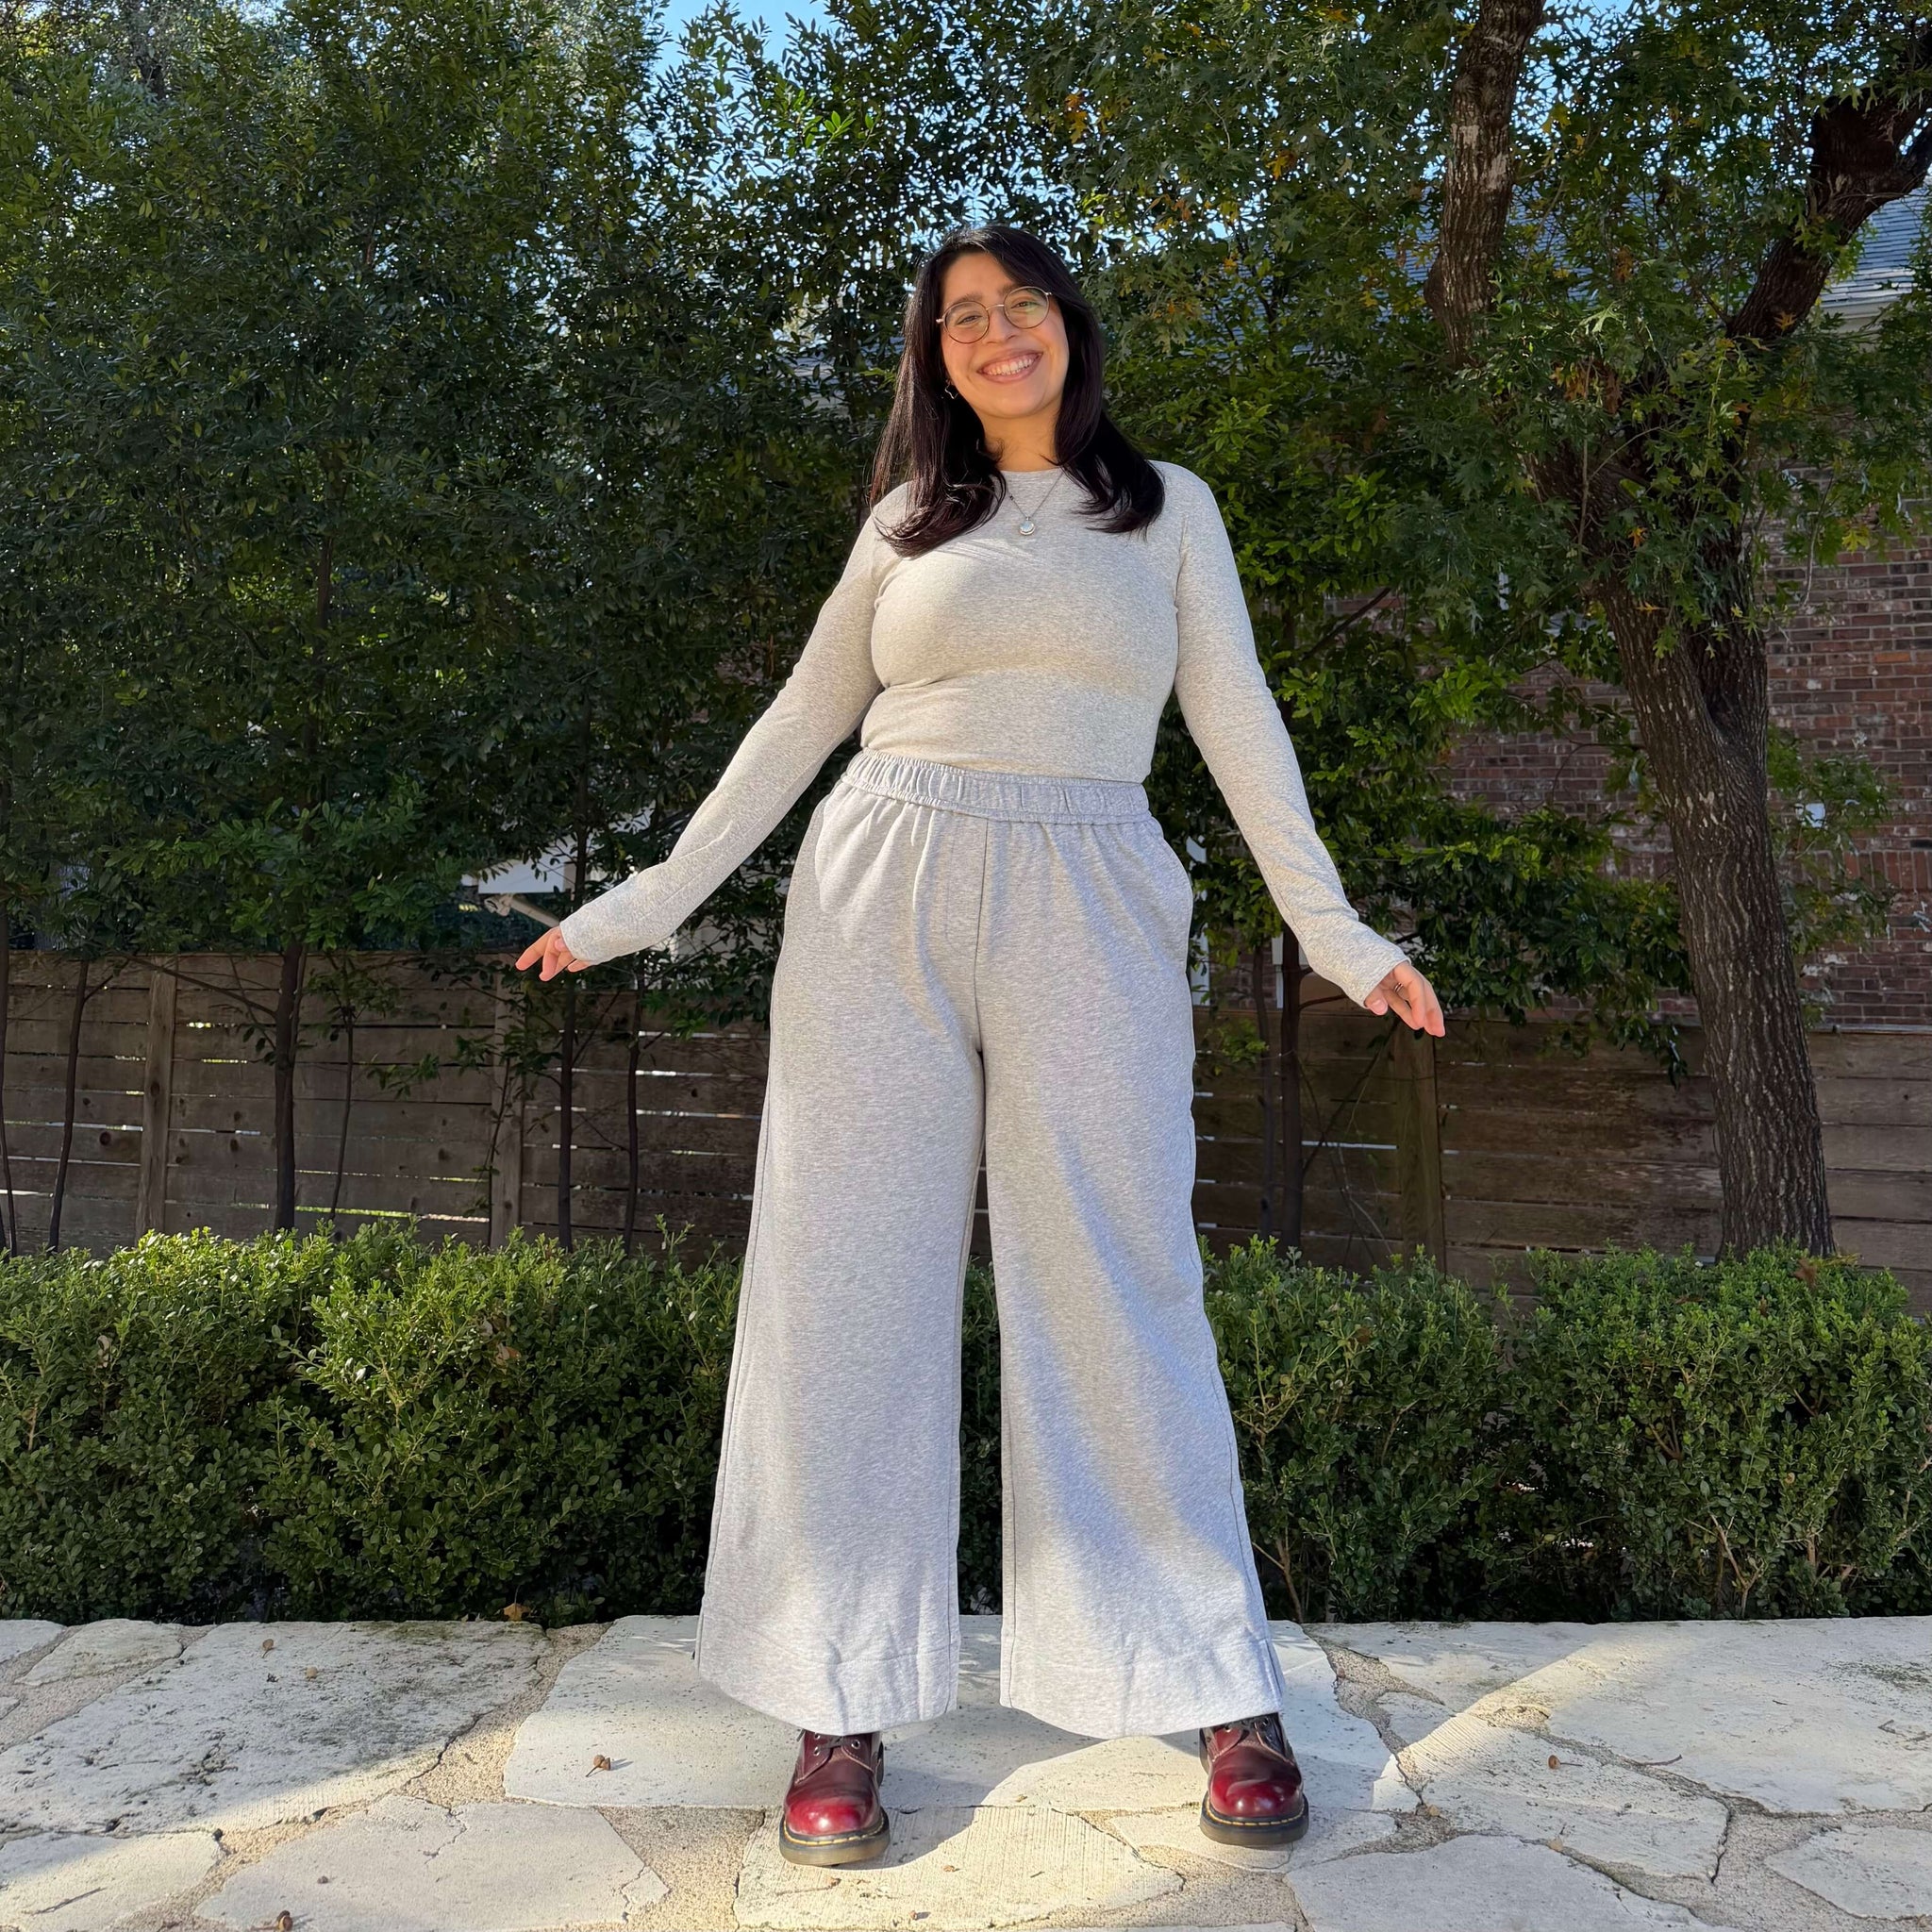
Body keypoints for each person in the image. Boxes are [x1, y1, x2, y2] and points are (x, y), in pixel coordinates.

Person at [517, 223, 1444, 1868]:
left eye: (1020, 304)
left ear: (1068, 326)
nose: (996, 332)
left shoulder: (1166, 511)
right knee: (848, 1277)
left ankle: (1215, 1681)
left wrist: (1337, 933)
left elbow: (1239, 722)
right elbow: (799, 721)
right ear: (934, 356)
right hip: (884, 879)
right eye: (961, 317)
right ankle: (839, 1698)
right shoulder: (905, 523)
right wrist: (645, 905)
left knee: (1119, 1269)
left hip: (1092, 883)